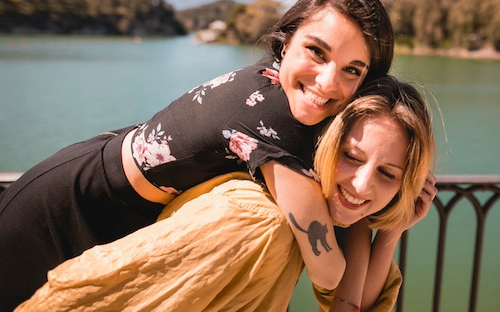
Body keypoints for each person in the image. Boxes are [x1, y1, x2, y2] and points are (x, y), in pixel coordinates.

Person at [0, 0, 395, 311]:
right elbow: (328, 272)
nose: (328, 82)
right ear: (286, 40)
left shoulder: (298, 106)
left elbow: (344, 215)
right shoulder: (273, 117)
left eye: (352, 70)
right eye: (316, 51)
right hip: (66, 211)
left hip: (109, 206)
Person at [15, 76, 437, 312]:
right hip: (54, 212)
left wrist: (392, 231)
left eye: (388, 173)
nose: (363, 186)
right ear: (327, 144)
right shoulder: (257, 221)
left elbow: (350, 303)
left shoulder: (328, 204)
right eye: (351, 156)